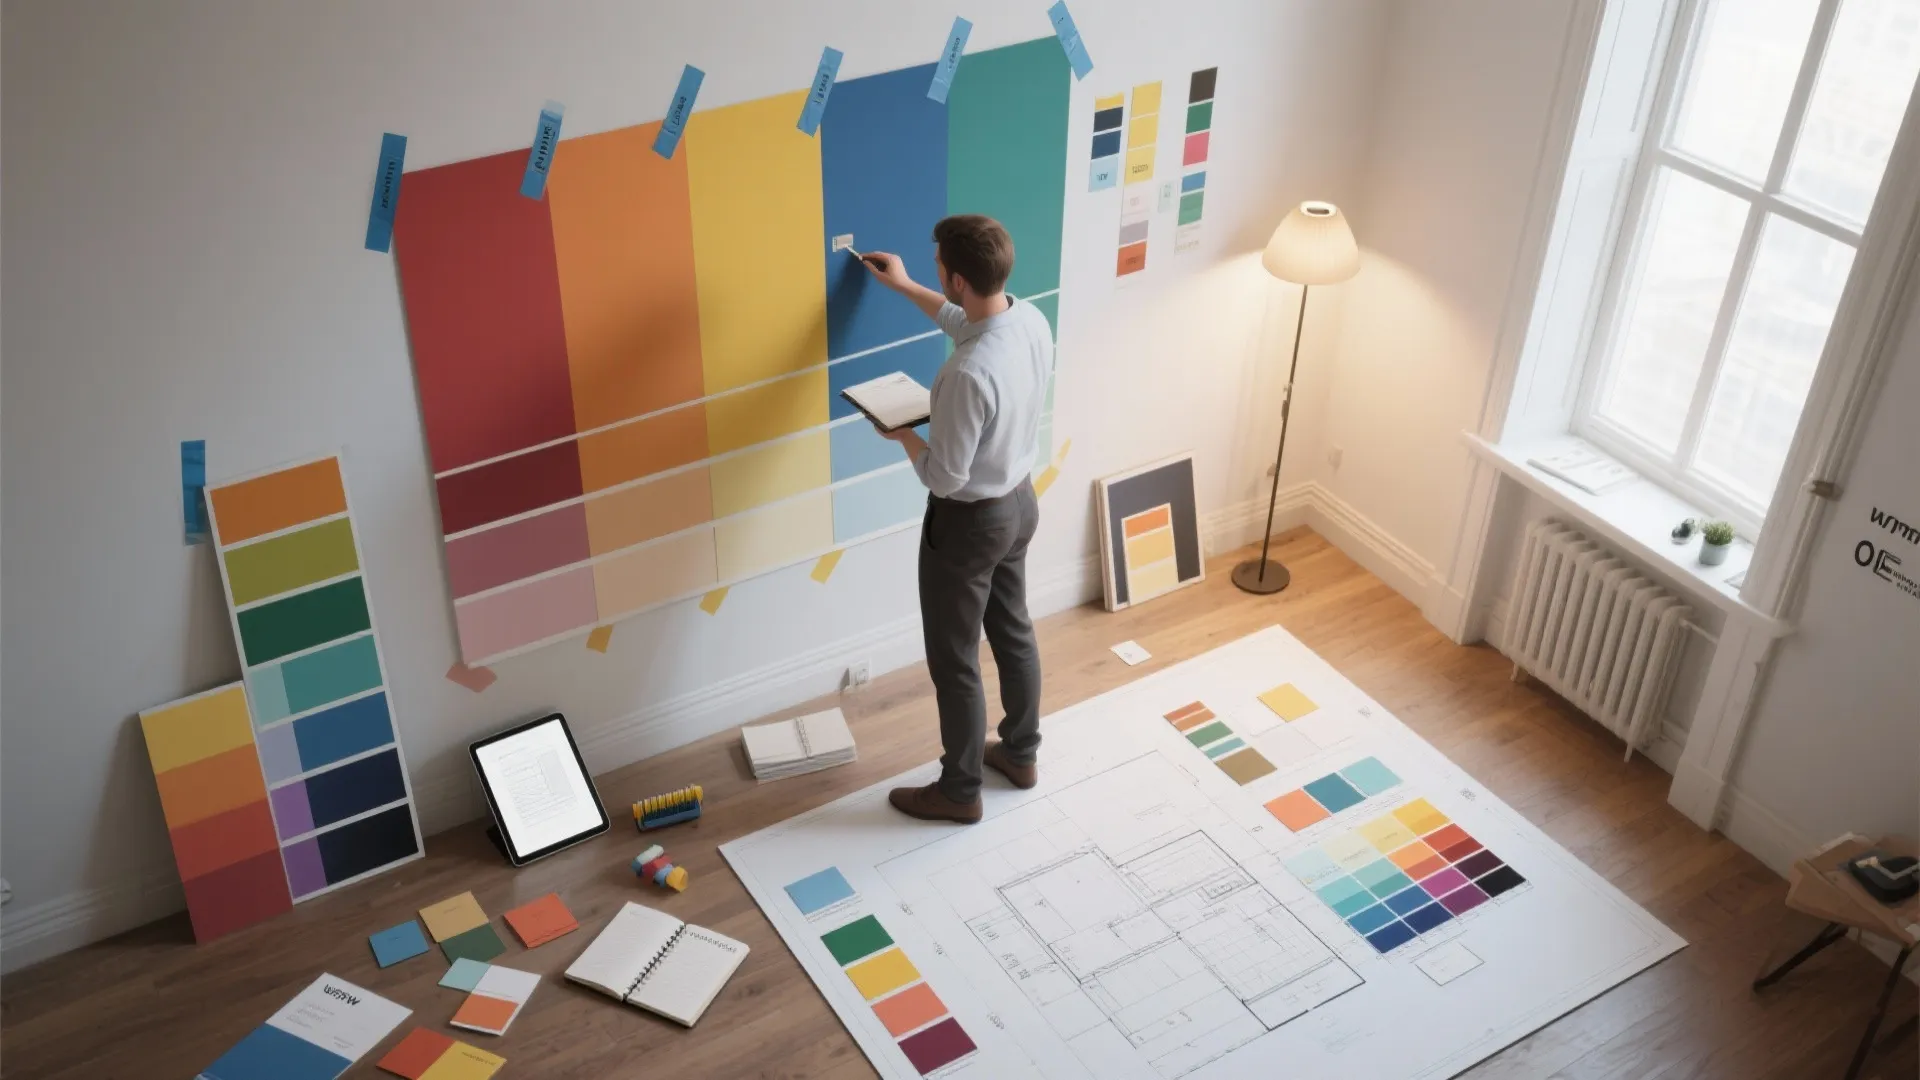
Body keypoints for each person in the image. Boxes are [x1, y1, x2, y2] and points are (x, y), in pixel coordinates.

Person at [861, 215, 1051, 824]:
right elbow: (962, 321)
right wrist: (907, 285)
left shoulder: (966, 374)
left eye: (939, 267)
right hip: (1020, 504)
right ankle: (1020, 755)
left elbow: (945, 476)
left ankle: (959, 789)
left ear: (960, 277)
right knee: (1013, 633)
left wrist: (903, 438)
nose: (937, 274)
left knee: (955, 660)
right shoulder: (1027, 318)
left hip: (969, 526)